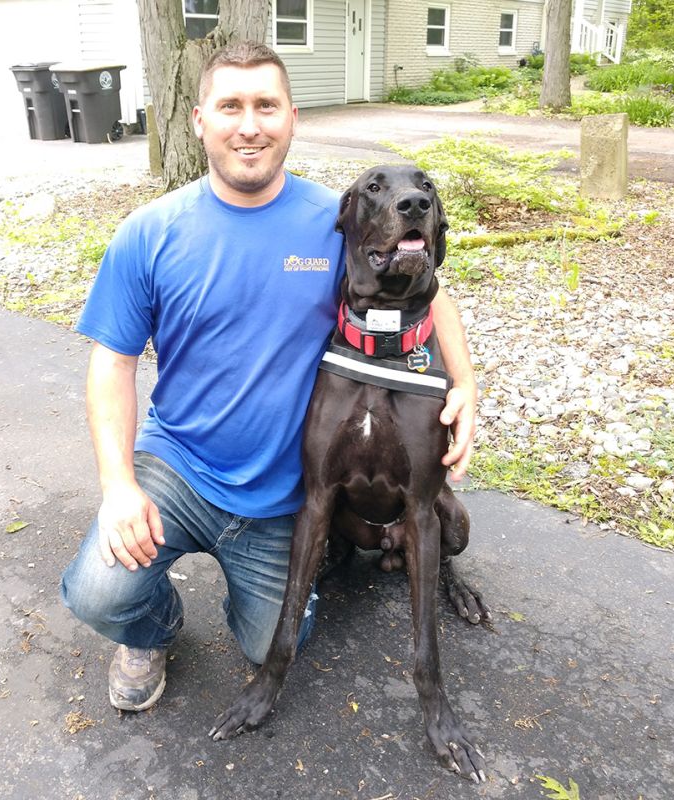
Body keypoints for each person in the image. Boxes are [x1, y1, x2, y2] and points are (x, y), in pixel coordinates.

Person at [61, 42, 477, 712]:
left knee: (271, 643)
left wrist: (465, 384)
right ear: (199, 119)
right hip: (180, 466)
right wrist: (117, 487)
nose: (248, 124)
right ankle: (150, 630)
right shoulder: (149, 232)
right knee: (98, 592)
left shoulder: (335, 220)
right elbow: (111, 363)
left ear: (290, 119)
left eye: (265, 106)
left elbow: (431, 286)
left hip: (284, 494)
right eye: (230, 106)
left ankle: (256, 580)